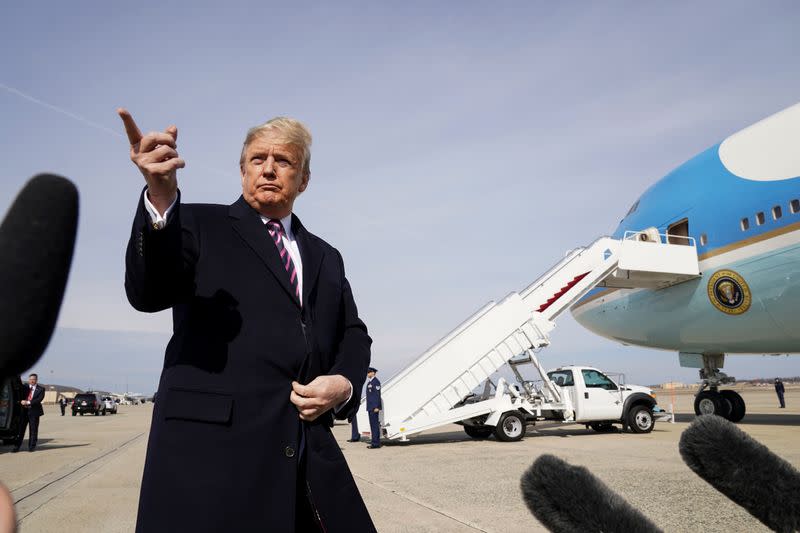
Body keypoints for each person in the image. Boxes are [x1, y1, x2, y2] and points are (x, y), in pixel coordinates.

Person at [118, 109, 374, 533]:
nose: (269, 168)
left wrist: (344, 384)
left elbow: (353, 332)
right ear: (242, 172)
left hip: (305, 457)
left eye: (284, 161)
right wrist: (161, 200)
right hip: (211, 461)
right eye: (258, 159)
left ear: (303, 179)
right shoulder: (198, 224)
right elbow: (149, 292)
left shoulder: (326, 256)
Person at [14, 373, 44, 452]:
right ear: (28, 380)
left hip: (34, 412)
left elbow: (39, 399)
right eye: (30, 379)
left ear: (36, 380)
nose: (32, 381)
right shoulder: (24, 387)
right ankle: (16, 447)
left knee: (33, 430)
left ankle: (31, 447)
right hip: (24, 412)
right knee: (20, 430)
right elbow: (18, 394)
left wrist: (28, 402)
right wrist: (20, 401)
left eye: (33, 379)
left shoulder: (41, 389)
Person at [366, 367, 382, 449]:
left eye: (368, 372)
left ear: (373, 373)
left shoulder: (376, 382)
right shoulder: (370, 382)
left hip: (374, 407)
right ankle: (375, 442)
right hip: (370, 407)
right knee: (372, 425)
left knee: (375, 425)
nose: (367, 374)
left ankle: (375, 443)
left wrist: (377, 407)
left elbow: (377, 395)